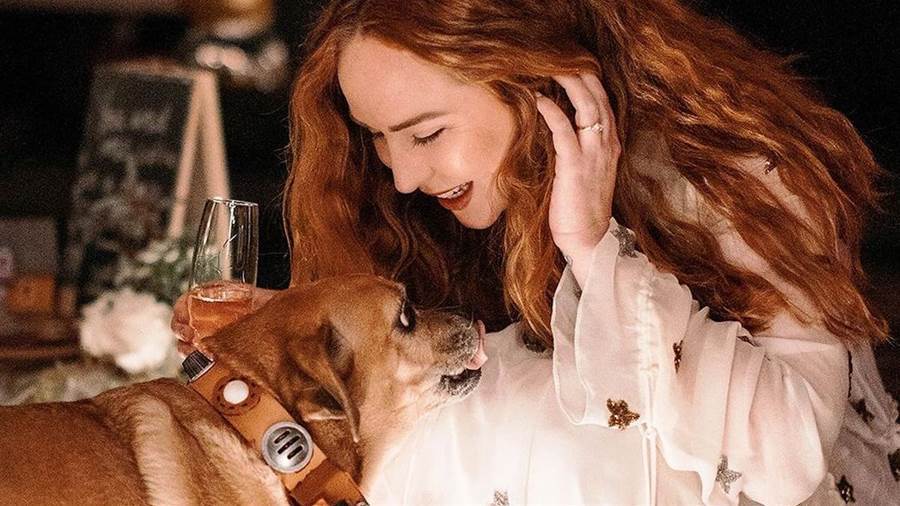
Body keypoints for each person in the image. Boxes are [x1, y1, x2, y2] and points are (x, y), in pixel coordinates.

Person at [173, 0, 900, 503]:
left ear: (535, 85)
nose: (403, 176)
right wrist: (294, 341)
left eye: (426, 133)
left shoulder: (733, 175)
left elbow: (787, 459)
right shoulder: (407, 209)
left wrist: (594, 251)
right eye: (377, 137)